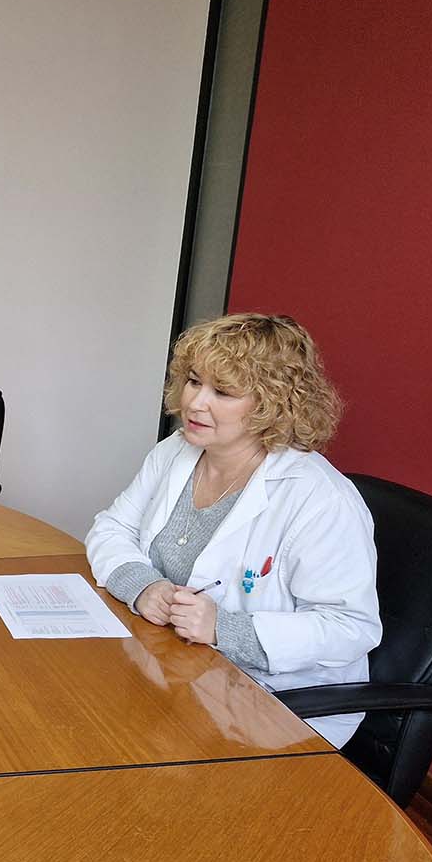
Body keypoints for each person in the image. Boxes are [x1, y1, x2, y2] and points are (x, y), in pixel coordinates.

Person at [86, 313, 381, 747]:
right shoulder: (178, 450)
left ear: (273, 403)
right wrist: (144, 587)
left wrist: (225, 627)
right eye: (193, 381)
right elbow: (112, 526)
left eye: (222, 392)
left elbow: (351, 627)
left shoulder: (320, 499)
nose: (195, 403)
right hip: (175, 666)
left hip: (270, 704)